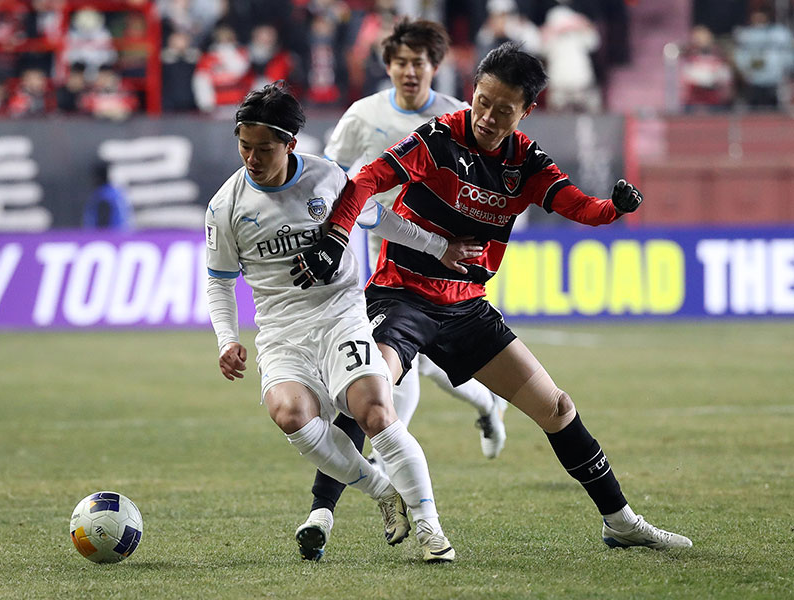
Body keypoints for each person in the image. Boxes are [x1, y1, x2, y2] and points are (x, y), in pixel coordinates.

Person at [291, 43, 694, 551]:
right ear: (472, 91)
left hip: (465, 306)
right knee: (367, 392)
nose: (485, 116)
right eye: (481, 101)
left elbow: (577, 205)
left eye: (502, 110)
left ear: (526, 112)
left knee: (557, 407)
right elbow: (365, 180)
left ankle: (620, 521)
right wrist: (334, 236)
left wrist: (612, 208)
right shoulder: (439, 136)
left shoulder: (525, 162)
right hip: (400, 298)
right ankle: (323, 514)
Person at [205, 82, 479, 563]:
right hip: (282, 331)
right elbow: (219, 282)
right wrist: (228, 339)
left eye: (263, 149)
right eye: (244, 146)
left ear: (290, 143)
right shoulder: (226, 206)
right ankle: (381, 491)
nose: (251, 158)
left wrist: (440, 248)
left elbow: (381, 220)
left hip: (339, 317)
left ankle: (430, 528)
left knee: (375, 410)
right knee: (290, 414)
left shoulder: (328, 179)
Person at [294, 17, 511, 562]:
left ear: (435, 67)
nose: (409, 71)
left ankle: (483, 410)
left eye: (420, 62)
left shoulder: (460, 119)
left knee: (385, 392)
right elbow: (336, 183)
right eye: (400, 62)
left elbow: (497, 186)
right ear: (387, 65)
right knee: (375, 387)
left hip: (446, 272)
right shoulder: (363, 117)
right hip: (386, 270)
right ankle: (326, 513)